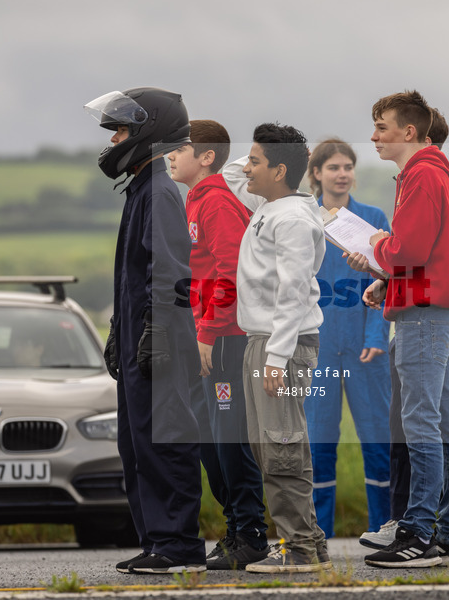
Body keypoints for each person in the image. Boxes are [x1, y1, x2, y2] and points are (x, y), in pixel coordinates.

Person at [349, 91, 449, 568]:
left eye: (381, 126)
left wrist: (380, 245)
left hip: (424, 317)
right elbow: (425, 256)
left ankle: (418, 532)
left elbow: (411, 248)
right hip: (430, 307)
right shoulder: (430, 172)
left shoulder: (421, 174)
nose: (374, 136)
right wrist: (388, 281)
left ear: (408, 131)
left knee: (421, 423)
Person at [84, 87, 206, 574]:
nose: (113, 139)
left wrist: (155, 331)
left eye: (121, 130)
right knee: (137, 444)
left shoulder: (158, 191)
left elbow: (171, 271)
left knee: (165, 440)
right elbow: (134, 276)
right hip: (140, 340)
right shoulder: (141, 188)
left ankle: (178, 545)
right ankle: (158, 540)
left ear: (148, 132)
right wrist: (121, 330)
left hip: (160, 344)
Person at [168, 120, 269, 570]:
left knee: (229, 441)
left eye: (180, 148)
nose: (170, 155)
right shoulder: (197, 199)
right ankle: (234, 529)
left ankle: (251, 534)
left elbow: (231, 274)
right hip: (210, 337)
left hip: (227, 341)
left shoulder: (217, 203)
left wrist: (207, 333)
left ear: (207, 157)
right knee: (211, 443)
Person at [235, 122, 331, 573]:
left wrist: (276, 358)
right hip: (267, 342)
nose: (247, 168)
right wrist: (269, 151)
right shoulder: (271, 203)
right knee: (270, 446)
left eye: (256, 161)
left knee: (282, 447)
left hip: (281, 346)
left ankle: (300, 551)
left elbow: (293, 291)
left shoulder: (290, 218)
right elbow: (235, 177)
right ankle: (309, 543)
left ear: (278, 171)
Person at [303, 138, 392, 539]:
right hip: (317, 350)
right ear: (317, 173)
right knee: (319, 444)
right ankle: (316, 532)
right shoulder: (304, 219)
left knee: (378, 441)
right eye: (334, 167)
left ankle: (384, 527)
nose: (342, 174)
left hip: (365, 349)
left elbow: (388, 280)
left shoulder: (373, 218)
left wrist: (377, 333)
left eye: (348, 166)